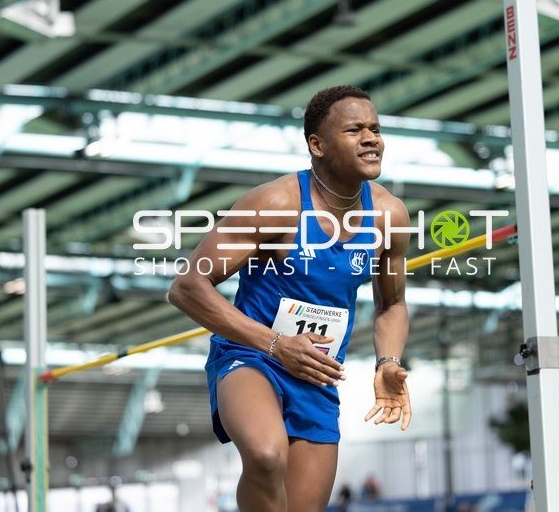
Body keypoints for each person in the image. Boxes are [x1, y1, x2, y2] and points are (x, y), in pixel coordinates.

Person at [168, 85, 412, 512]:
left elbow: (391, 305)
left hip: (316, 373)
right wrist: (277, 345)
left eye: (375, 127)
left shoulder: (389, 215)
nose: (372, 138)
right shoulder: (278, 203)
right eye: (355, 129)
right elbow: (188, 287)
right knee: (265, 456)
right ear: (317, 145)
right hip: (250, 359)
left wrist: (387, 361)